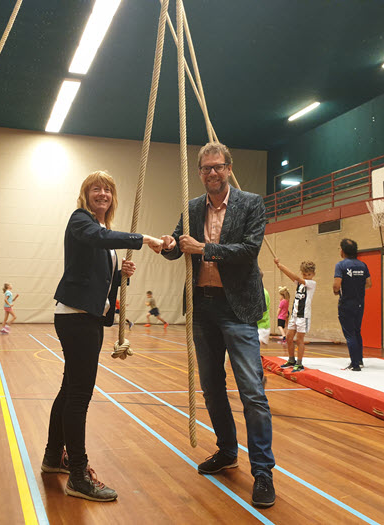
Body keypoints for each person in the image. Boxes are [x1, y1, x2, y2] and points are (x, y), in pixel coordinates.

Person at [160, 142, 275, 508]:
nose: (212, 173)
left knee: (252, 393)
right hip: (202, 308)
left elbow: (247, 251)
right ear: (199, 172)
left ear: (228, 168)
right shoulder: (191, 207)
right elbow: (181, 245)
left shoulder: (251, 203)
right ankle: (227, 451)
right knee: (211, 388)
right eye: (206, 168)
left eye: (218, 167)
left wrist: (204, 249)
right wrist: (167, 246)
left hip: (238, 309)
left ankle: (263, 473)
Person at [42, 170, 163, 502]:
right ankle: (79, 476)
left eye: (108, 189)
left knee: (69, 391)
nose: (102, 193)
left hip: (87, 316)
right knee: (79, 396)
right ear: (85, 195)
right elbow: (96, 240)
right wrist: (143, 239)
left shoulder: (102, 231)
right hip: (77, 318)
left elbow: (97, 274)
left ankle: (54, 457)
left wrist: (117, 274)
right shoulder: (80, 221)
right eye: (96, 188)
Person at [333, 238, 371, 371]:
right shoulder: (363, 265)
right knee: (357, 331)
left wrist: (337, 292)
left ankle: (355, 365)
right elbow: (368, 284)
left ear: (342, 251)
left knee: (349, 334)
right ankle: (359, 360)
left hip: (346, 304)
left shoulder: (341, 265)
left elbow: (336, 286)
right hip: (360, 303)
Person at [275, 259, 317, 373]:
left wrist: (283, 266)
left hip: (303, 316)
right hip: (294, 315)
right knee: (289, 338)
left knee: (299, 340)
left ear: (313, 274)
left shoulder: (311, 284)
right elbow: (291, 276)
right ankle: (291, 360)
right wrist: (280, 266)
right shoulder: (299, 283)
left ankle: (299, 363)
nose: (306, 276)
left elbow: (297, 278)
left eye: (309, 274)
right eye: (304, 274)